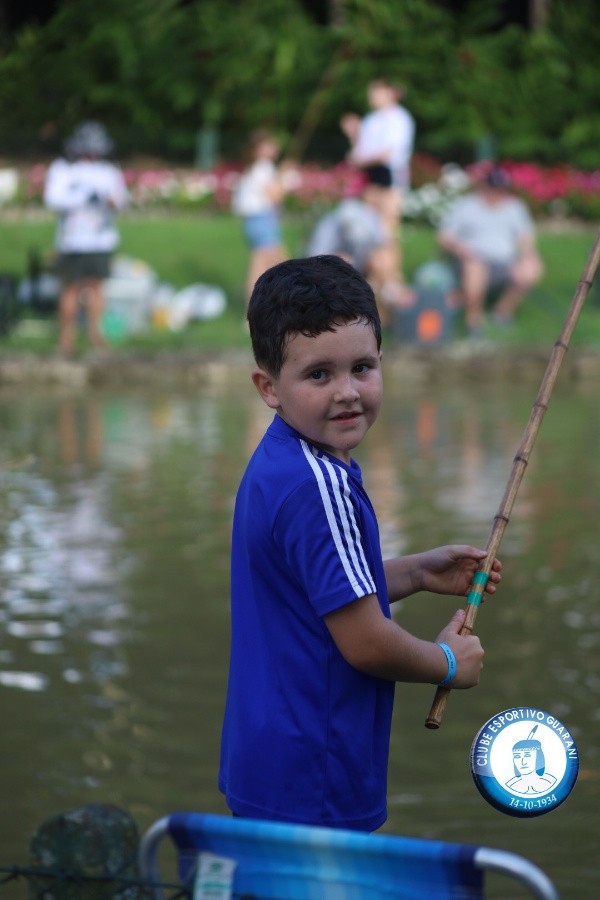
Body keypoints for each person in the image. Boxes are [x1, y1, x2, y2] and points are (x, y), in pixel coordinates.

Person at [219, 255, 502, 831]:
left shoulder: (284, 461)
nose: (347, 392)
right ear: (269, 387)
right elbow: (366, 643)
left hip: (267, 765)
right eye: (319, 375)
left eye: (362, 368)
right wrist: (448, 663)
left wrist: (417, 572)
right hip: (315, 778)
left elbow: (319, 594)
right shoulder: (318, 486)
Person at [43, 121, 129, 356]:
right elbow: (53, 199)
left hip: (100, 240)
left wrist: (108, 201)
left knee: (96, 288)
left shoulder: (109, 172)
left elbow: (121, 200)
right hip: (72, 240)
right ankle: (66, 338)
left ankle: (95, 334)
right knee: (69, 288)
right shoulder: (64, 169)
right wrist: (81, 196)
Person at [437, 166, 544, 338]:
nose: (495, 193)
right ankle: (473, 322)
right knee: (475, 268)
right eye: (492, 188)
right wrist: (459, 247)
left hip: (505, 263)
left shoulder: (515, 207)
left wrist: (528, 256)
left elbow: (525, 239)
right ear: (484, 186)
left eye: (499, 189)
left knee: (531, 268)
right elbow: (444, 237)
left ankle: (502, 313)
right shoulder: (467, 205)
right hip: (471, 260)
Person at [305, 196, 413, 324]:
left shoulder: (373, 225)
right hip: (332, 269)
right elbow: (315, 260)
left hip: (363, 269)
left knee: (383, 257)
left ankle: (389, 294)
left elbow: (386, 251)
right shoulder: (340, 223)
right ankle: (386, 296)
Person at [341, 78, 415, 242]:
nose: (372, 97)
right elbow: (360, 151)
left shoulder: (399, 118)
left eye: (376, 93)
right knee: (370, 224)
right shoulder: (371, 120)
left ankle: (389, 258)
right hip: (372, 174)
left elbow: (386, 154)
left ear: (390, 93)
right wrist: (353, 135)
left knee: (387, 225)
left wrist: (360, 160)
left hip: (391, 174)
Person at [232, 129, 292, 303]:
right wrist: (284, 175)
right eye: (270, 144)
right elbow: (276, 196)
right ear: (259, 149)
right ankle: (256, 308)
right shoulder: (264, 167)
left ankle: (266, 306)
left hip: (255, 221)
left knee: (268, 264)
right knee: (273, 266)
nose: (275, 147)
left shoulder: (254, 168)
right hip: (262, 220)